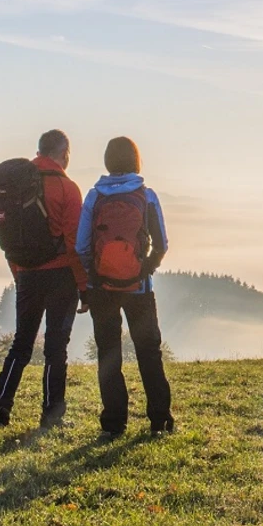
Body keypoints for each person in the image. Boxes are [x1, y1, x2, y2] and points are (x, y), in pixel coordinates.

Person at [75, 136, 174, 438]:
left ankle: (113, 424)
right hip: (139, 288)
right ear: (136, 161)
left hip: (101, 287)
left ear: (107, 161)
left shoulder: (94, 196)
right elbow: (162, 244)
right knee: (149, 352)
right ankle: (159, 421)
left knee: (109, 354)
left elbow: (81, 246)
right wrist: (143, 270)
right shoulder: (147, 195)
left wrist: (96, 273)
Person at [0, 129, 88, 428]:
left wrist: (19, 274)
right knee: (56, 348)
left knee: (21, 343)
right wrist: (83, 285)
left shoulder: (15, 186)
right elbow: (74, 243)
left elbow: (9, 239)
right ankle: (51, 414)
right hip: (61, 275)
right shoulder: (67, 188)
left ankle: (0, 408)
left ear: (39, 150)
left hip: (27, 275)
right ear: (64, 153)